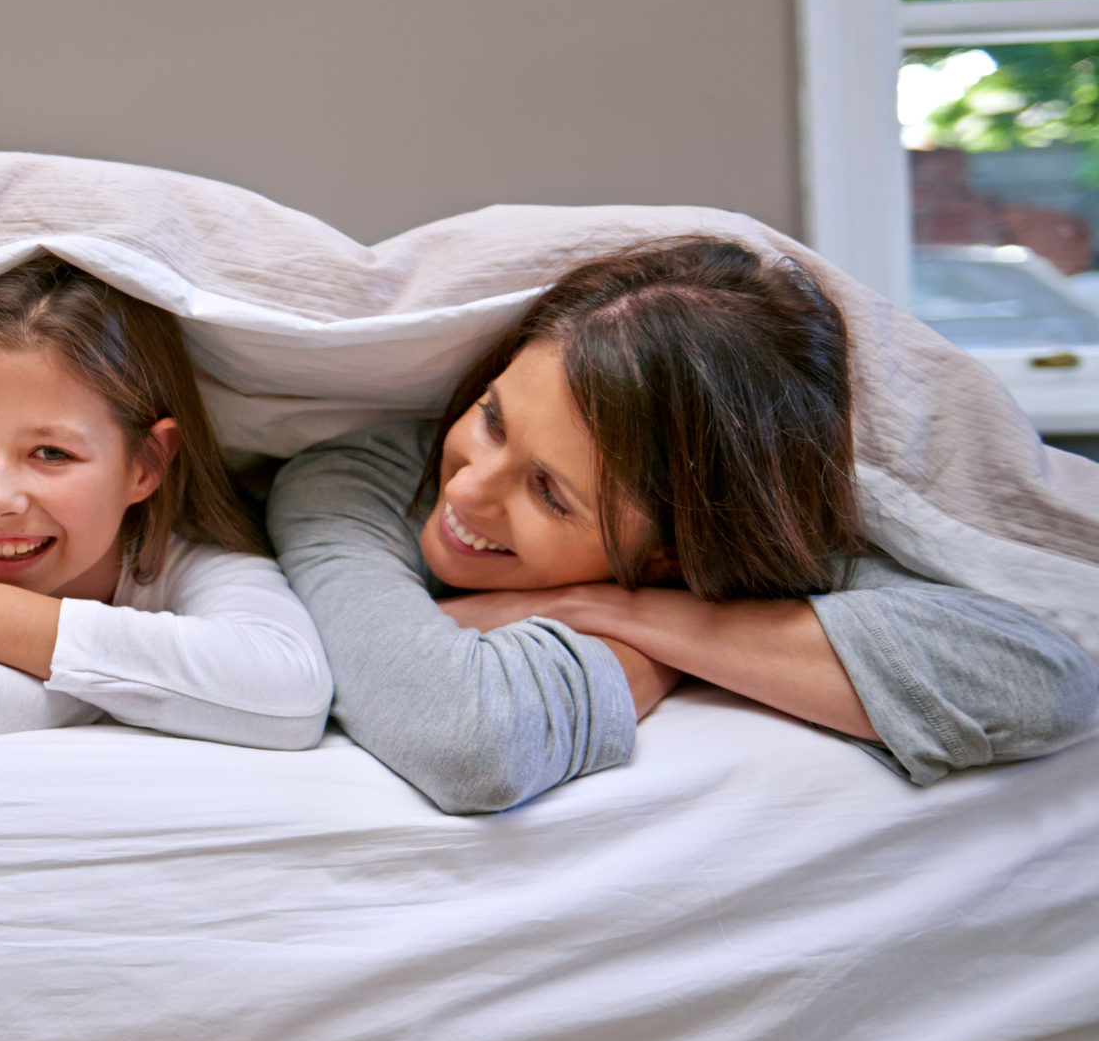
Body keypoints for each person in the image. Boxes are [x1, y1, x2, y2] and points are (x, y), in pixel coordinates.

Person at [266, 237, 1099, 814]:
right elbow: (471, 739)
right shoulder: (354, 480)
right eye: (491, 419)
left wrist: (625, 618)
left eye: (551, 494)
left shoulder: (705, 556)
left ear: (669, 551)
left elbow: (1040, 681)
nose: (472, 493)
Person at [0, 255, 332, 746]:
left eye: (50, 453)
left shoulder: (185, 555)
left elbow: (293, 696)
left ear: (147, 463)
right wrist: (127, 695)